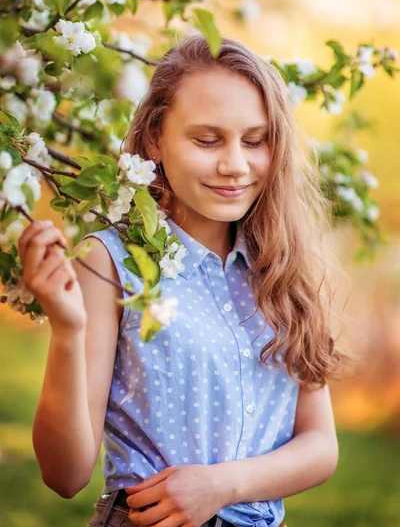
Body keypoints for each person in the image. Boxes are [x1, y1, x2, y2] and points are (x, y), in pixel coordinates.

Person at [18, 35, 346, 527]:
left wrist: (221, 486)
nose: (235, 164)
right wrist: (68, 333)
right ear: (155, 138)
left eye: (254, 141)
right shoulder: (110, 261)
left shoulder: (281, 270)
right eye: (207, 140)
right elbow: (64, 476)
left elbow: (321, 447)